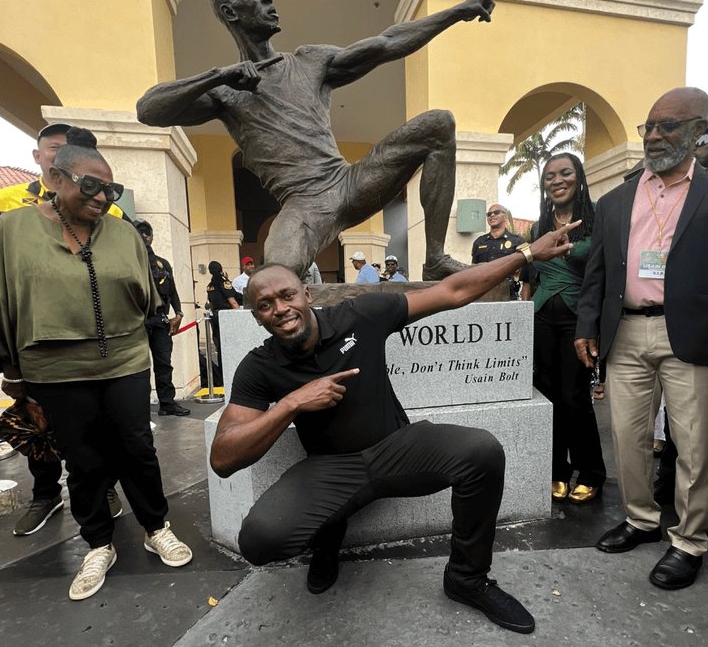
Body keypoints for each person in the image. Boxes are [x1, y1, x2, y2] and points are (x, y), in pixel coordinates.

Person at [211, 218, 581, 635]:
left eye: (287, 295)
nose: (280, 309)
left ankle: (466, 578)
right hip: (331, 469)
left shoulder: (359, 316)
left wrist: (527, 253)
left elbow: (452, 291)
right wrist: (292, 403)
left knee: (482, 452)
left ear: (306, 293)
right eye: (265, 305)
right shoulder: (259, 367)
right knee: (259, 541)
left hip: (397, 449)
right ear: (256, 316)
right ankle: (329, 532)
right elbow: (223, 457)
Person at [137, 0, 512, 280]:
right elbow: (149, 109)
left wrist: (457, 12)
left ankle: (434, 259)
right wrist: (219, 76)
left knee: (438, 123)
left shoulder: (309, 61)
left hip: (349, 183)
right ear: (230, 11)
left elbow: (386, 43)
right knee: (278, 276)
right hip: (303, 206)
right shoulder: (226, 92)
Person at [0, 128, 193, 601]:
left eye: (111, 190)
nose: (102, 198)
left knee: (138, 448)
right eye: (91, 186)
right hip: (53, 367)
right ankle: (98, 542)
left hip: (124, 360)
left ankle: (156, 526)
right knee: (82, 458)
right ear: (56, 176)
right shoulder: (9, 230)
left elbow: (145, 298)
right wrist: (11, 369)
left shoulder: (121, 232)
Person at [573, 87, 708, 591]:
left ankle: (689, 541)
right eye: (650, 126)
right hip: (625, 330)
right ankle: (641, 519)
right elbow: (596, 271)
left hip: (690, 333)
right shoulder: (617, 199)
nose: (655, 135)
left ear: (697, 132)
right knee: (628, 435)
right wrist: (586, 325)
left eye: (668, 125)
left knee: (694, 444)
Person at [0, 122, 124, 536]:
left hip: (92, 341)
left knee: (96, 421)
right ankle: (45, 493)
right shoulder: (6, 203)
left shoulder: (105, 205)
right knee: (35, 419)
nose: (59, 157)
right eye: (53, 149)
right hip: (31, 341)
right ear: (39, 156)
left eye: (68, 151)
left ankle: (104, 487)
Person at [521, 153, 606, 504]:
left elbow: (603, 271)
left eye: (565, 173)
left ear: (579, 177)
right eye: (550, 176)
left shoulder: (597, 218)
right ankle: (556, 470)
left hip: (578, 320)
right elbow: (528, 277)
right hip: (542, 318)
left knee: (575, 398)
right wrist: (523, 316)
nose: (557, 180)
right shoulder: (538, 226)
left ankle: (590, 472)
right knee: (549, 395)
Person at [132, 219, 190, 417]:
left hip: (159, 320)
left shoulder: (162, 264)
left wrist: (179, 314)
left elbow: (172, 291)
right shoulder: (127, 262)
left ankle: (167, 403)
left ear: (152, 236)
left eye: (147, 232)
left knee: (164, 363)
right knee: (138, 367)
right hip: (136, 321)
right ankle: (139, 409)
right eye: (139, 232)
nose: (144, 236)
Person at [472, 204, 527, 299]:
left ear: (505, 217)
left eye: (496, 212)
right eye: (489, 214)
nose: (492, 215)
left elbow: (525, 272)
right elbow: (473, 269)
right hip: (483, 294)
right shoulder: (479, 242)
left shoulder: (518, 241)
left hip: (508, 294)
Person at [205, 260, 241, 387]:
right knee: (232, 346)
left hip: (215, 317)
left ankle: (222, 374)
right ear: (221, 269)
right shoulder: (225, 284)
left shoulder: (209, 286)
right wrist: (239, 319)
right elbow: (233, 302)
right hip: (227, 317)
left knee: (220, 348)